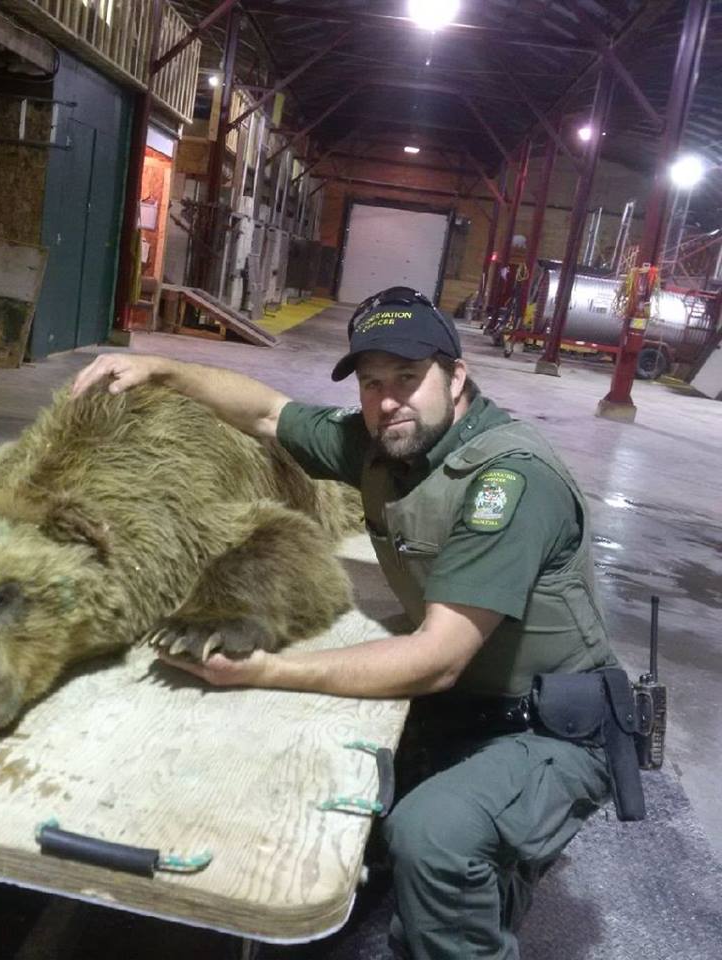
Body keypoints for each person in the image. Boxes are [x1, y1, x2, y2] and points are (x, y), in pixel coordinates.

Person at [70, 288, 630, 960]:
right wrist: (163, 369)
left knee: (433, 837)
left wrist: (266, 671)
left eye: (407, 377)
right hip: (463, 704)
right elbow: (269, 414)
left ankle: (478, 895)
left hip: (547, 727)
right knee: (325, 782)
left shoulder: (506, 483)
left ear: (456, 378)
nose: (388, 400)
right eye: (372, 383)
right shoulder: (384, 445)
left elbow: (439, 658)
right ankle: (468, 865)